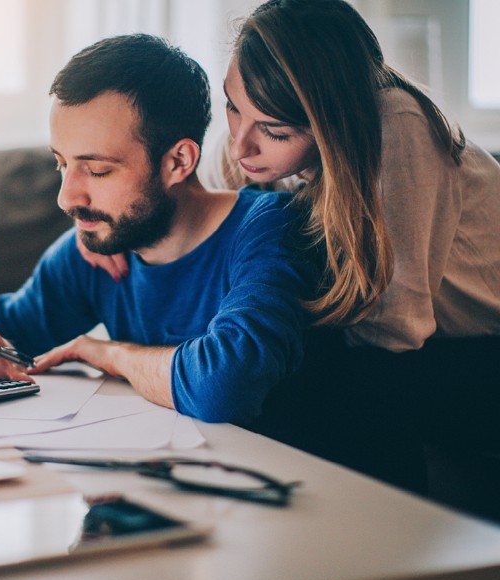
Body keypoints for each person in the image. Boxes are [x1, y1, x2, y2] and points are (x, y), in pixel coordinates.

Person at [80, 0, 500, 494]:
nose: (240, 146)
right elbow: (189, 202)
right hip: (406, 342)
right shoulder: (251, 135)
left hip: (474, 344)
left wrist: (251, 336)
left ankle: (380, 542)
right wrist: (110, 231)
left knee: (311, 377)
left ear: (331, 123)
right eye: (234, 107)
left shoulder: (396, 128)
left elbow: (396, 327)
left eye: (275, 132)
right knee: (254, 359)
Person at [0, 33, 319, 425]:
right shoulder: (98, 247)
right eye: (61, 164)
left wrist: (110, 353)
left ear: (178, 162)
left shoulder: (272, 229)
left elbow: (225, 388)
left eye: (98, 170)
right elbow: (7, 335)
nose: (66, 198)